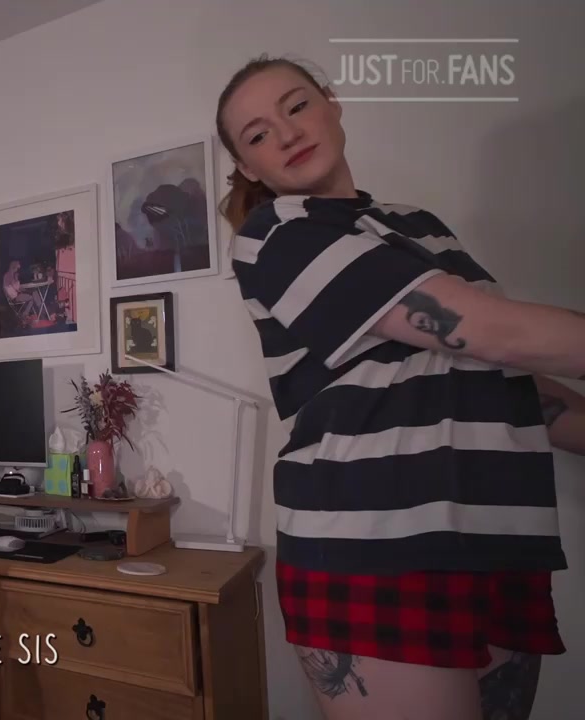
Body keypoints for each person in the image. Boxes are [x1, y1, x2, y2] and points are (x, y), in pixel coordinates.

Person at [215, 55, 585, 720]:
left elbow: (497, 368)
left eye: (297, 106)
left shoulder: (421, 225)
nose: (287, 133)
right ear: (249, 167)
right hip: (372, 541)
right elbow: (480, 325)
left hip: (493, 532)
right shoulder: (277, 234)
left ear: (332, 103)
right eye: (259, 134)